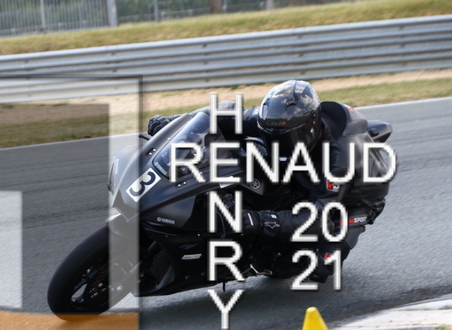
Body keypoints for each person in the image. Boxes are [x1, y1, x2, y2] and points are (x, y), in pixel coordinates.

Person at [147, 80, 392, 282]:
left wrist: (258, 219)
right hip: (301, 170)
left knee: (317, 268)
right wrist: (173, 122)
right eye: (270, 136)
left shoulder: (338, 160)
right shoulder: (272, 119)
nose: (276, 144)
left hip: (355, 201)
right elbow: (220, 113)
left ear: (310, 128)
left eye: (285, 139)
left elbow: (317, 218)